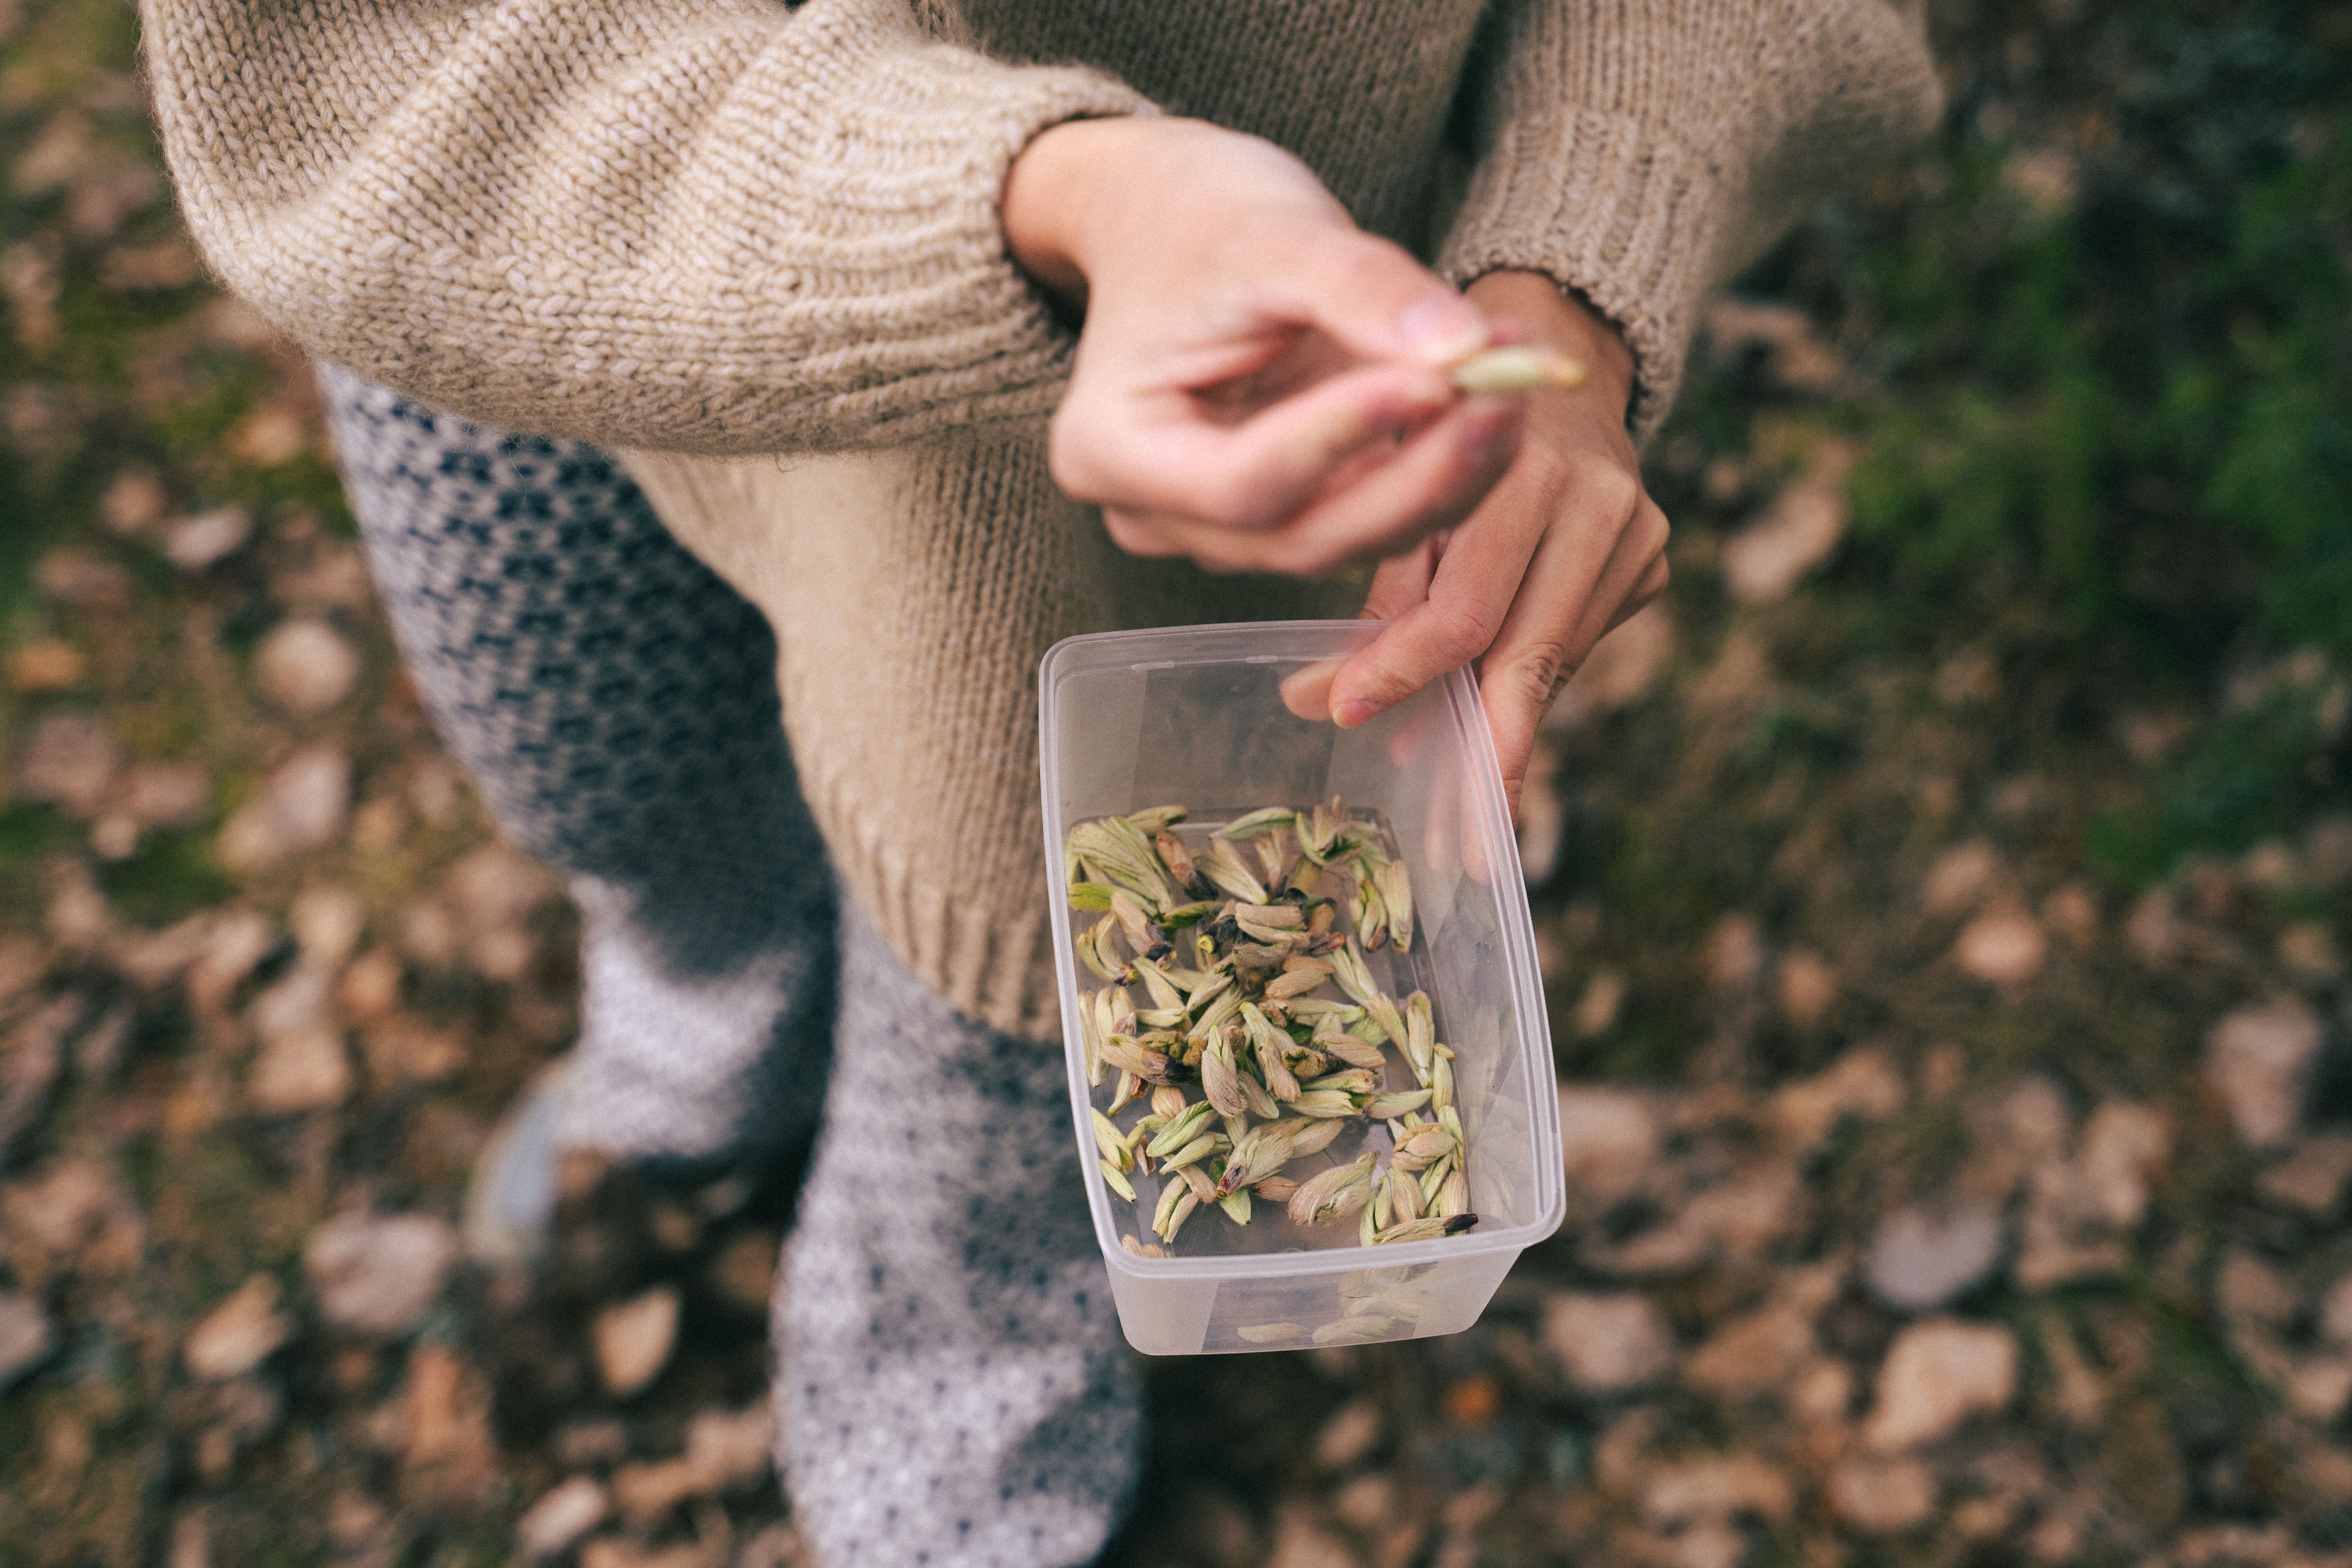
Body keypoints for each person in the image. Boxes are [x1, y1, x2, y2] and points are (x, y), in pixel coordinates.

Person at [142, 1, 1943, 1561]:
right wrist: (1056, 194)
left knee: (1008, 1030)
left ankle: (957, 1383)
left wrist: (1567, 290)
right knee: (601, 787)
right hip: (538, 252)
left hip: (1138, 486)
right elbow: (325, 57)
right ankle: (709, 1002)